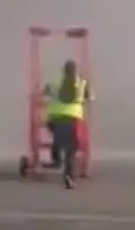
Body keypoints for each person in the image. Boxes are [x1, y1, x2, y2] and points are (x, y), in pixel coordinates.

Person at [43, 59, 92, 189]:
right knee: (72, 147)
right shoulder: (82, 84)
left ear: (63, 71)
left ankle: (56, 160)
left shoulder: (54, 83)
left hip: (55, 120)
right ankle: (68, 174)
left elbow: (44, 92)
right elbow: (90, 97)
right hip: (73, 121)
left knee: (58, 137)